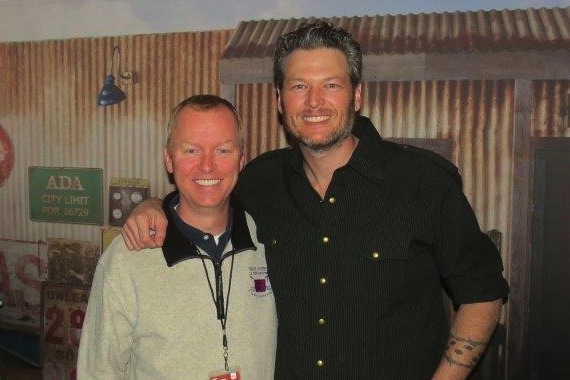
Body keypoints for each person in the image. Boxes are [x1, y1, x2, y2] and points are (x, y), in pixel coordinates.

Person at [122, 22, 510, 379]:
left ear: (357, 95)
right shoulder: (260, 182)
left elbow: (483, 292)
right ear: (279, 99)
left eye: (331, 85)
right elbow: (204, 189)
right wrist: (154, 204)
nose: (314, 102)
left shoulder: (423, 183)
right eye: (299, 86)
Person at [77, 95, 277, 380]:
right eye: (192, 150)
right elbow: (98, 372)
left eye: (222, 150)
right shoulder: (129, 257)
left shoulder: (270, 239)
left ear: (241, 159)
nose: (207, 166)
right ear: (169, 159)